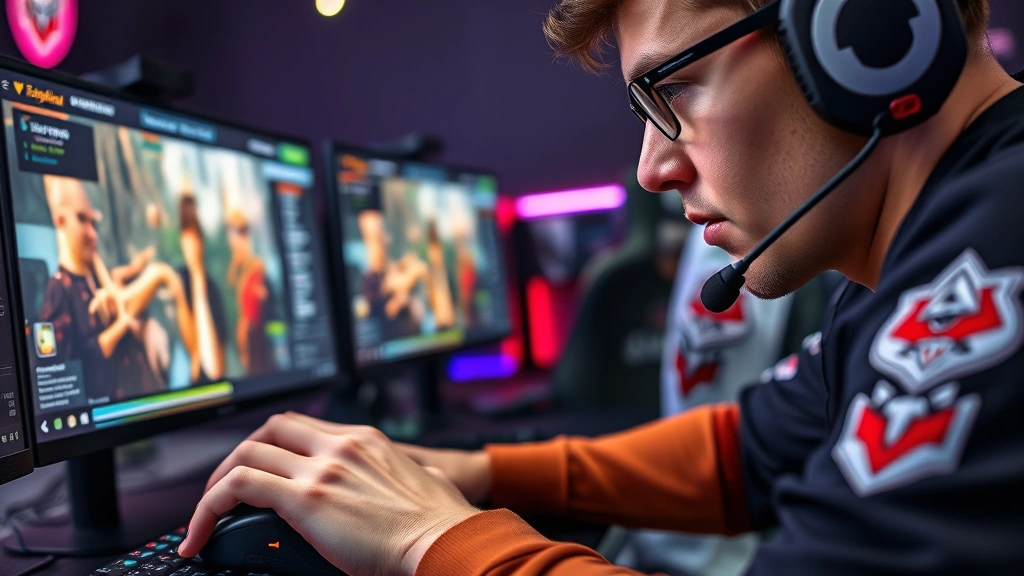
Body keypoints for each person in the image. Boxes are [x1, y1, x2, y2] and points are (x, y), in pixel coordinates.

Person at [179, 1, 1024, 574]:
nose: (652, 169)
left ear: (863, 32)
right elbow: (747, 454)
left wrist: (427, 538)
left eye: (673, 89)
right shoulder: (916, 264)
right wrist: (477, 470)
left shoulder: (999, 250)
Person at [39, 175, 194, 401]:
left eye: (93, 222)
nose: (92, 233)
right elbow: (71, 367)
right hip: (109, 406)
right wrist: (123, 323)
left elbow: (118, 292)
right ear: (60, 221)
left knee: (164, 274)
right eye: (82, 220)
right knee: (161, 273)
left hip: (142, 394)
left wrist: (144, 325)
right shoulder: (60, 289)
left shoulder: (96, 273)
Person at [177, 193, 229, 383]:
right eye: (187, 237)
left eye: (195, 237)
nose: (191, 245)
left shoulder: (212, 288)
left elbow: (217, 363)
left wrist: (198, 281)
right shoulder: (179, 279)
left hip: (211, 375)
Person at [225, 208, 275, 375]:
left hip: (257, 340)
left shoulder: (256, 268)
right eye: (232, 234)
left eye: (240, 233)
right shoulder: (235, 270)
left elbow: (260, 310)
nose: (235, 241)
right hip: (244, 342)